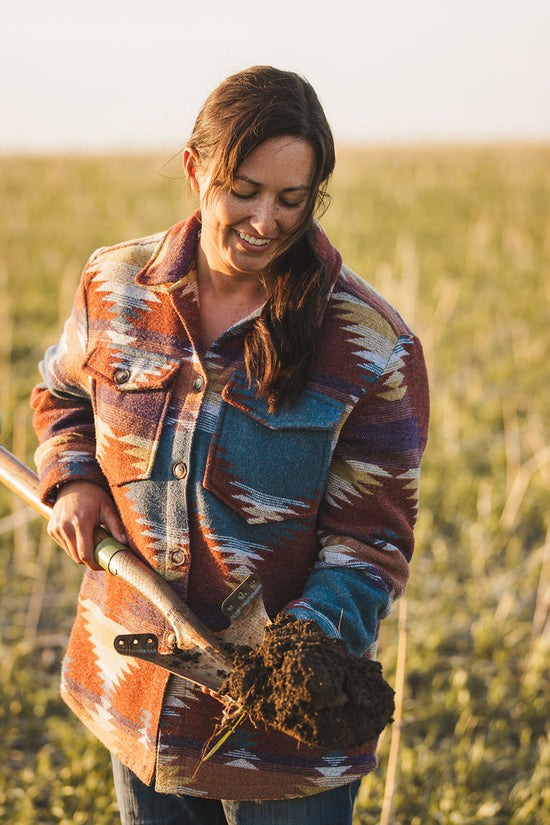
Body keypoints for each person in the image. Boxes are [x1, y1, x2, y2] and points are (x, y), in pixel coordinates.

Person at [31, 66, 429, 825]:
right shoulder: (116, 287)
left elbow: (372, 542)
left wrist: (295, 656)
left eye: (291, 199)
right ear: (196, 170)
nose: (266, 221)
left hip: (285, 734)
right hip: (140, 693)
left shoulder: (370, 347)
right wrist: (74, 478)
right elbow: (63, 394)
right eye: (243, 191)